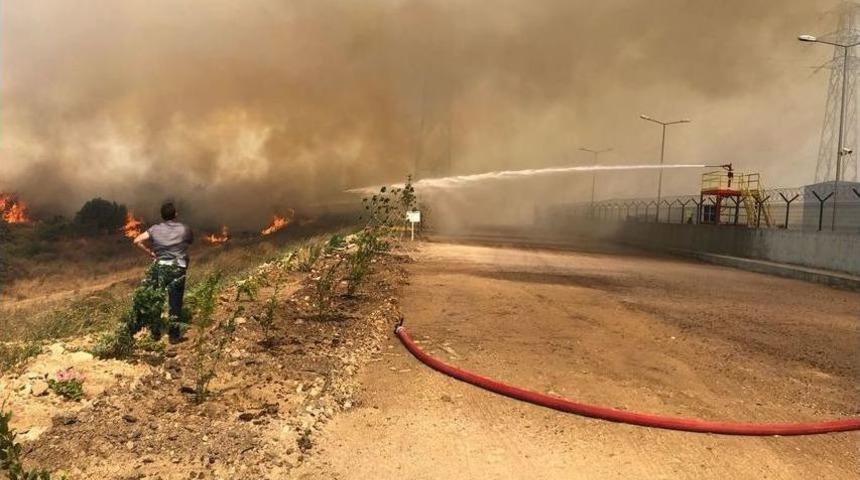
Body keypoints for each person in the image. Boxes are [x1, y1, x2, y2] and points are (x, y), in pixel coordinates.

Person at [133, 201, 194, 343]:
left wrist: (150, 252)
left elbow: (137, 240)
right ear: (176, 214)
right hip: (178, 268)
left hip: (160, 267)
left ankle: (155, 333)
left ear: (162, 215)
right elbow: (189, 241)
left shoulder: (155, 229)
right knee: (175, 302)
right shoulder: (184, 228)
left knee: (157, 300)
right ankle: (174, 336)